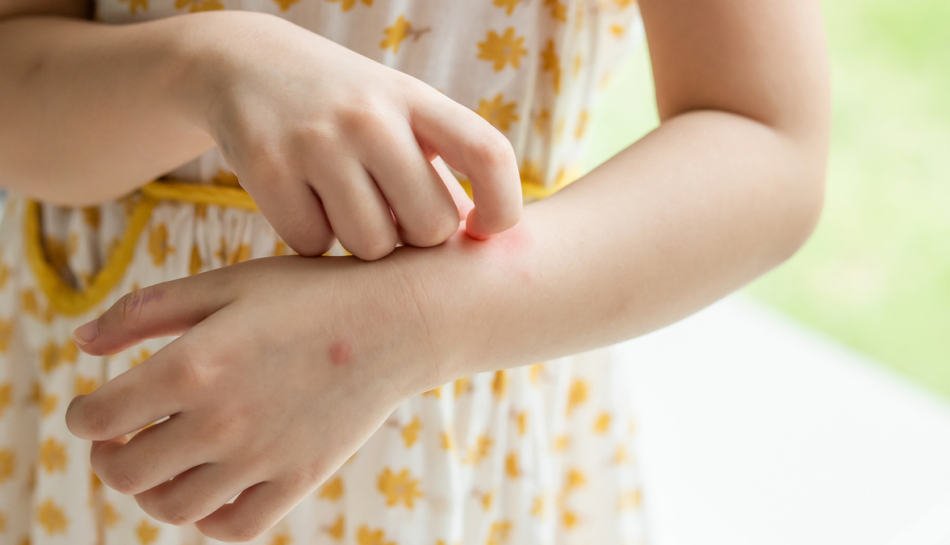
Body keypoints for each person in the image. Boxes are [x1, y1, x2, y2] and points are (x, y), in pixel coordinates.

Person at [0, 0, 830, 543]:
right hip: (97, 390)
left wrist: (411, 321)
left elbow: (769, 142)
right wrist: (210, 66)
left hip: (463, 405)